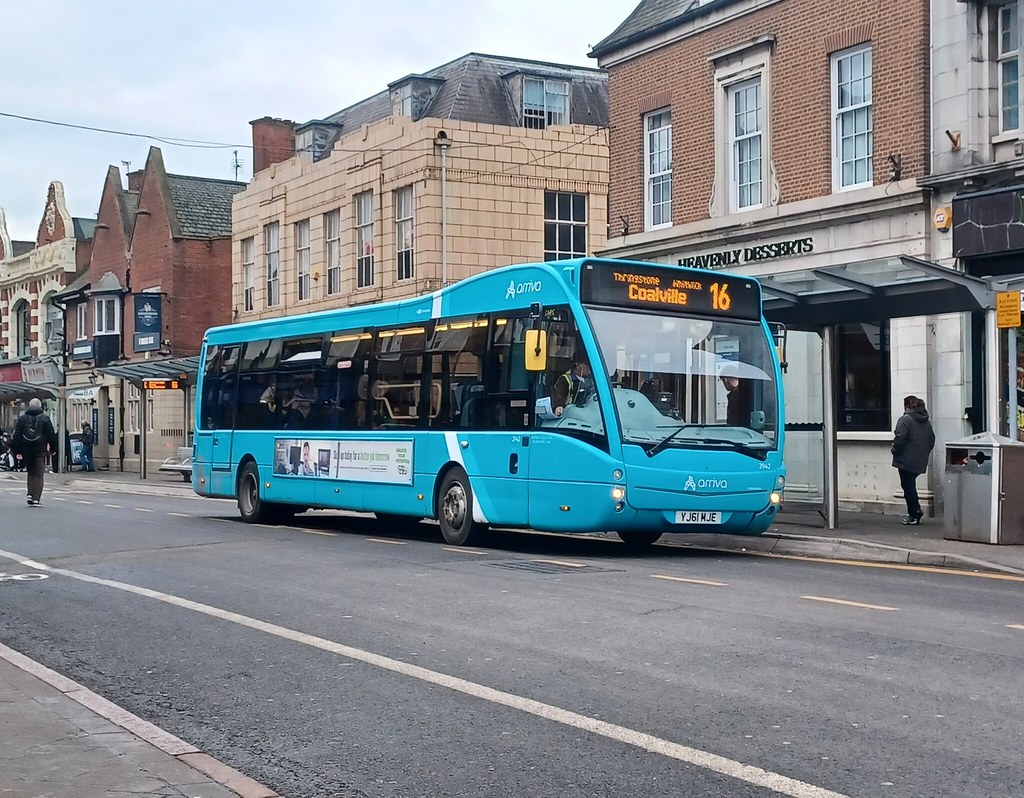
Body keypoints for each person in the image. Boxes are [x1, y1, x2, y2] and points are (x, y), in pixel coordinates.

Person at [891, 394, 936, 526]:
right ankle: (915, 512)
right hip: (920, 458)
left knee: (908, 486)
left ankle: (914, 513)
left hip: (906, 459)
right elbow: (932, 439)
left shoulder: (905, 419)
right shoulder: (926, 421)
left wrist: (894, 450)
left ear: (907, 405)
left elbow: (900, 438)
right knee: (910, 485)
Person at [11, 398, 59, 507]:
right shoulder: (45, 418)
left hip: (26, 450)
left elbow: (16, 436)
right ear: (40, 406)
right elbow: (52, 436)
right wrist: (53, 449)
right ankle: (36, 498)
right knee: (38, 474)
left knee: (31, 472)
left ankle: (30, 494)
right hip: (40, 450)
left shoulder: (23, 419)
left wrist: (17, 451)